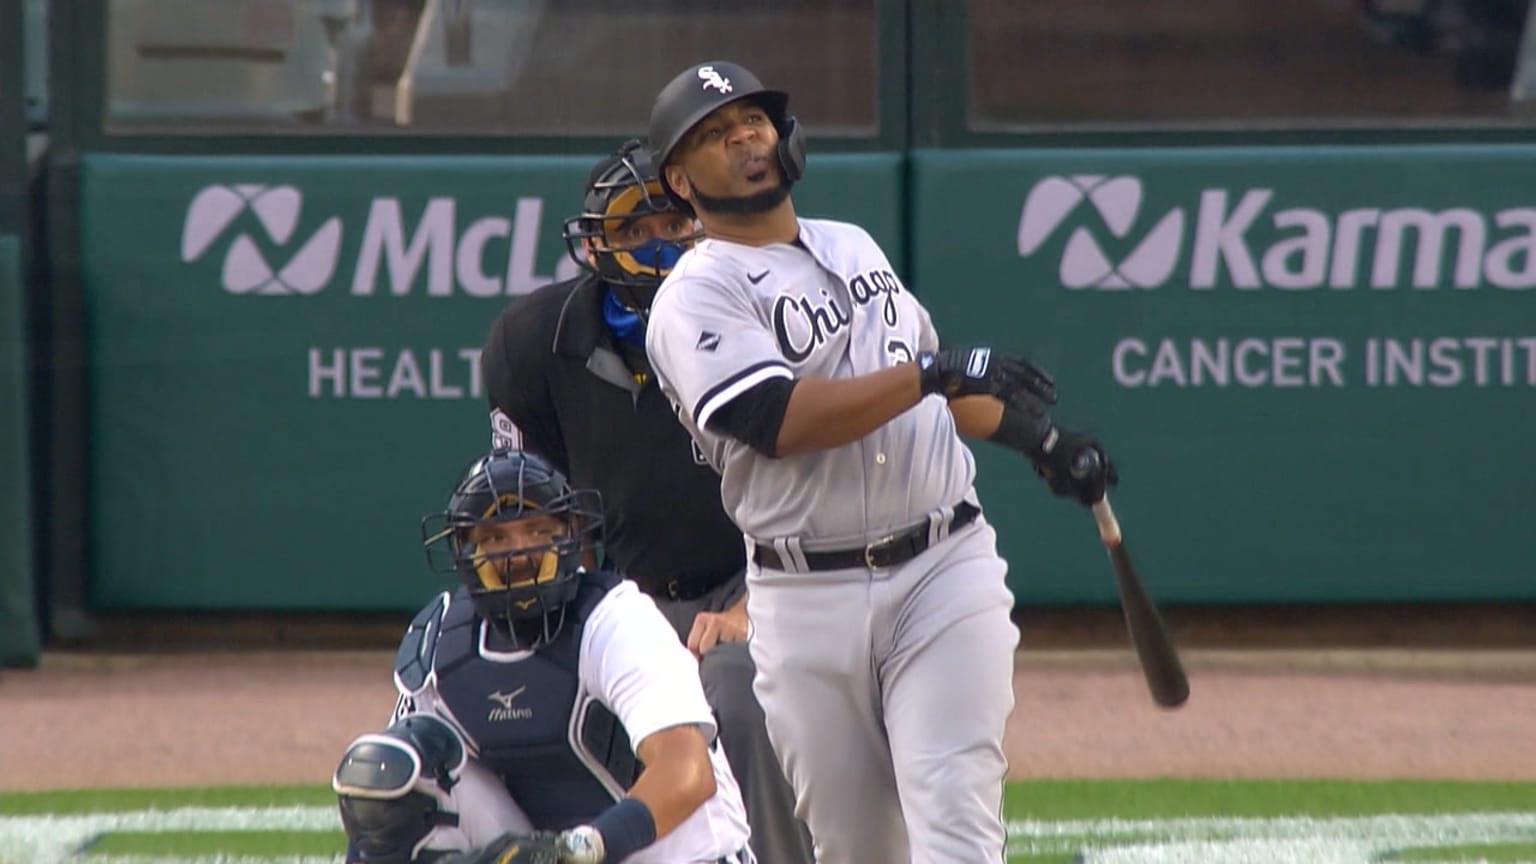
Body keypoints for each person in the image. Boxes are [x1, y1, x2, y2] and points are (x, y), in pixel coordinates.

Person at [641, 60, 1119, 863]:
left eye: (752, 121)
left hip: (942, 566)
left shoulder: (850, 244)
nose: (744, 138)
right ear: (681, 182)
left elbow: (928, 383)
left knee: (953, 813)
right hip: (803, 598)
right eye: (716, 135)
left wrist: (1043, 442)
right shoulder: (694, 295)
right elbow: (776, 418)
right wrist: (934, 374)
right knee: (859, 847)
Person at [479, 139, 815, 863]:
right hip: (620, 592)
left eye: (670, 222)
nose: (656, 245)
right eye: (634, 230)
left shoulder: (763, 314)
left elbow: (820, 492)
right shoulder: (535, 342)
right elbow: (531, 513)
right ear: (596, 243)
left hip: (765, 580)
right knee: (513, 690)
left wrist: (755, 605)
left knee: (739, 686)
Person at [331, 448, 752, 864]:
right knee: (388, 773)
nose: (520, 553)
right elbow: (385, 797)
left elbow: (688, 770)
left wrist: (575, 851)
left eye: (537, 531)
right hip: (541, 852)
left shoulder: (616, 619)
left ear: (568, 539)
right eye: (495, 537)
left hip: (676, 854)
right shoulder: (442, 641)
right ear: (464, 551)